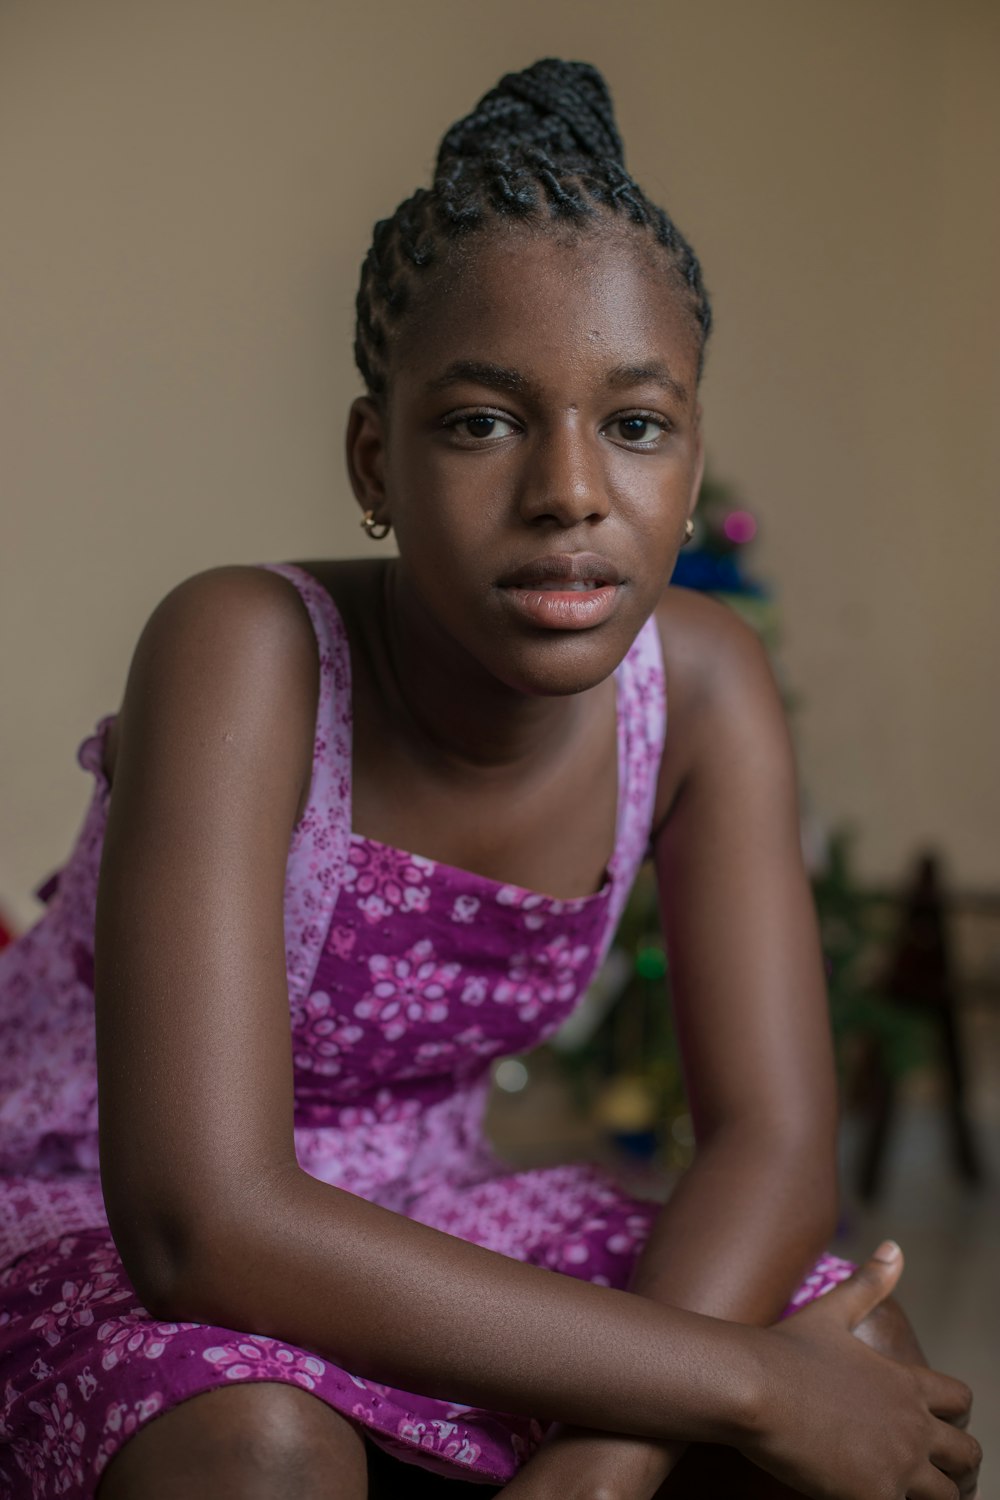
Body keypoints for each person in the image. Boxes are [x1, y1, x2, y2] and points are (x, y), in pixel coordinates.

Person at [0, 57, 981, 1500]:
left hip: (439, 1209)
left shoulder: (701, 687)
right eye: (480, 421)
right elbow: (202, 1226)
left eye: (636, 425)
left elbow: (772, 1142)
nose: (570, 491)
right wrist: (746, 1386)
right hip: (97, 1212)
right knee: (254, 1443)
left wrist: (607, 1458)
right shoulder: (245, 652)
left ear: (690, 461)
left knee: (860, 1342)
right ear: (373, 458)